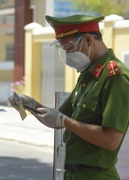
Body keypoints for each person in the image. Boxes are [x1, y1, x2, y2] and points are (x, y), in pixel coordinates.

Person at [9, 14, 129, 179]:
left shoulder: (115, 76)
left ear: (88, 40)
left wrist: (63, 121)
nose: (68, 55)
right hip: (72, 174)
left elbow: (110, 140)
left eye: (70, 49)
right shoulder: (88, 75)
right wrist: (31, 105)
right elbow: (59, 118)